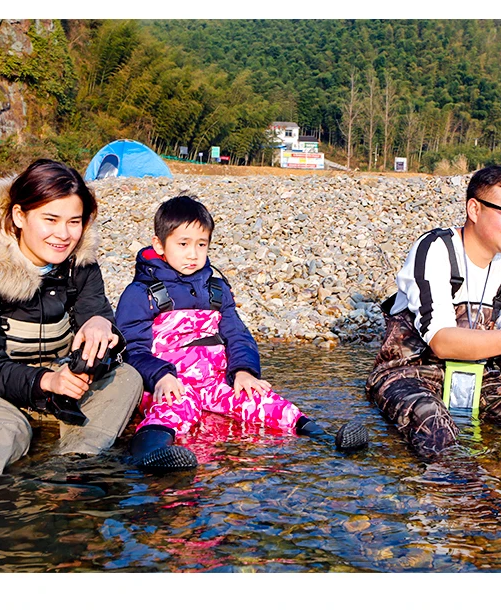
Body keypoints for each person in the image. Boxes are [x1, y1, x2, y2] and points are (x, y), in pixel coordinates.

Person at [115, 195, 369, 472]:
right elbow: (131, 349)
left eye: (202, 245)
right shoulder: (140, 294)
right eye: (183, 244)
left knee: (261, 401)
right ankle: (150, 453)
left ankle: (325, 438)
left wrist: (244, 371)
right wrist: (160, 376)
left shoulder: (216, 288)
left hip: (215, 382)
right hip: (170, 384)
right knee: (173, 412)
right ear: (159, 245)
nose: (193, 254)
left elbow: (238, 335)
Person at [0, 159, 142, 497]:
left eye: (74, 222)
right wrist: (47, 382)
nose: (63, 234)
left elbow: (97, 314)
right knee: (4, 430)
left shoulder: (80, 264)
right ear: (20, 216)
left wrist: (101, 326)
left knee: (127, 379)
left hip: (49, 375)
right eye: (50, 220)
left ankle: (72, 469)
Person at [365, 165, 501, 456]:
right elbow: (441, 342)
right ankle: (458, 493)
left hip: (479, 375)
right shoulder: (435, 249)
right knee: (434, 424)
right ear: (474, 209)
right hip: (408, 373)